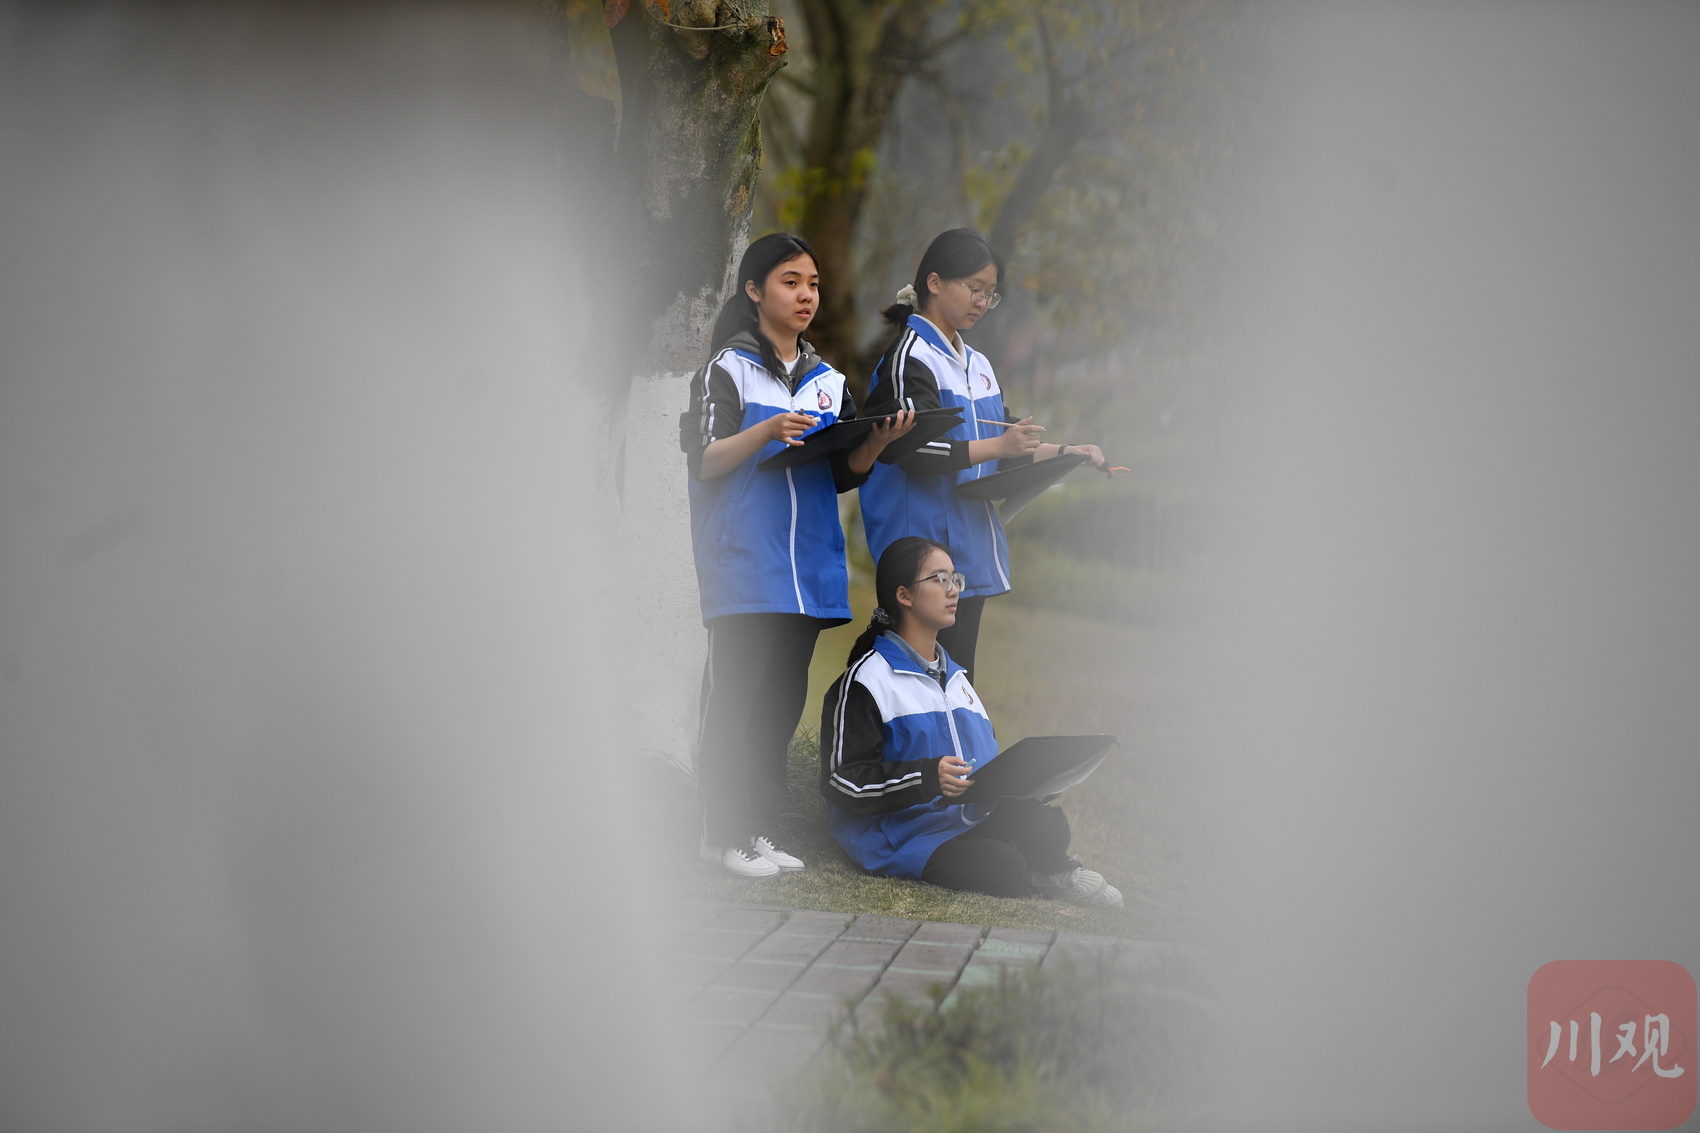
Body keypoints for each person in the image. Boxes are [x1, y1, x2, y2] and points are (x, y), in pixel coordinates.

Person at [681, 233, 916, 878]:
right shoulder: (726, 369)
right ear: (754, 291)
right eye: (790, 282)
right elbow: (704, 460)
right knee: (734, 703)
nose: (805, 295)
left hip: (806, 573)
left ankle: (756, 829)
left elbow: (839, 474)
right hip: (744, 564)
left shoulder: (829, 381)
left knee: (779, 708)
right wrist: (764, 429)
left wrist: (875, 443)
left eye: (812, 283)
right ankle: (719, 835)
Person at [859, 229, 1108, 682]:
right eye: (974, 287)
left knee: (957, 685)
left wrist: (1068, 453)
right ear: (935, 282)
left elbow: (1008, 448)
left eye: (990, 294)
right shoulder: (910, 357)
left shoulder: (979, 364)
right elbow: (909, 448)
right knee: (915, 685)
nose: (982, 301)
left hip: (965, 553)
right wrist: (1000, 446)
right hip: (920, 559)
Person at [818, 536, 1122, 904]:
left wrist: (1028, 784)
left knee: (1047, 823)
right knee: (1000, 867)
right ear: (904, 595)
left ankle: (1049, 868)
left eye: (955, 579)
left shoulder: (957, 679)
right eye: (940, 579)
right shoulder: (866, 681)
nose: (954, 590)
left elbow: (982, 768)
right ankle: (1035, 872)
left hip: (967, 821)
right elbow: (842, 781)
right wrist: (925, 776)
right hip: (907, 838)